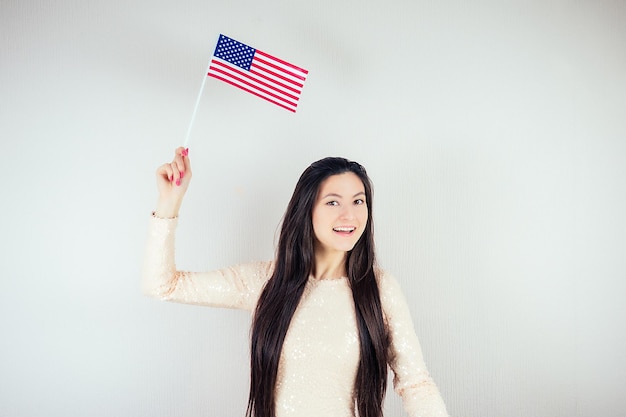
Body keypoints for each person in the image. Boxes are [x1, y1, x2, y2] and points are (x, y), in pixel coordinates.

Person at [143, 147, 450, 417]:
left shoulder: (380, 288)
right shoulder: (265, 281)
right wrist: (169, 202)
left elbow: (416, 383)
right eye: (333, 202)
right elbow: (163, 285)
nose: (350, 215)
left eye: (359, 201)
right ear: (307, 210)